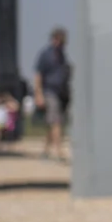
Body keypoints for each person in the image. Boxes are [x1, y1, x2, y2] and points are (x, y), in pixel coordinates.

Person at [33, 27, 72, 161]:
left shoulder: (62, 55)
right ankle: (59, 151)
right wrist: (38, 94)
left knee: (52, 122)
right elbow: (38, 75)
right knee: (56, 121)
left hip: (61, 93)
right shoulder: (45, 54)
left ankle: (45, 151)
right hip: (49, 91)